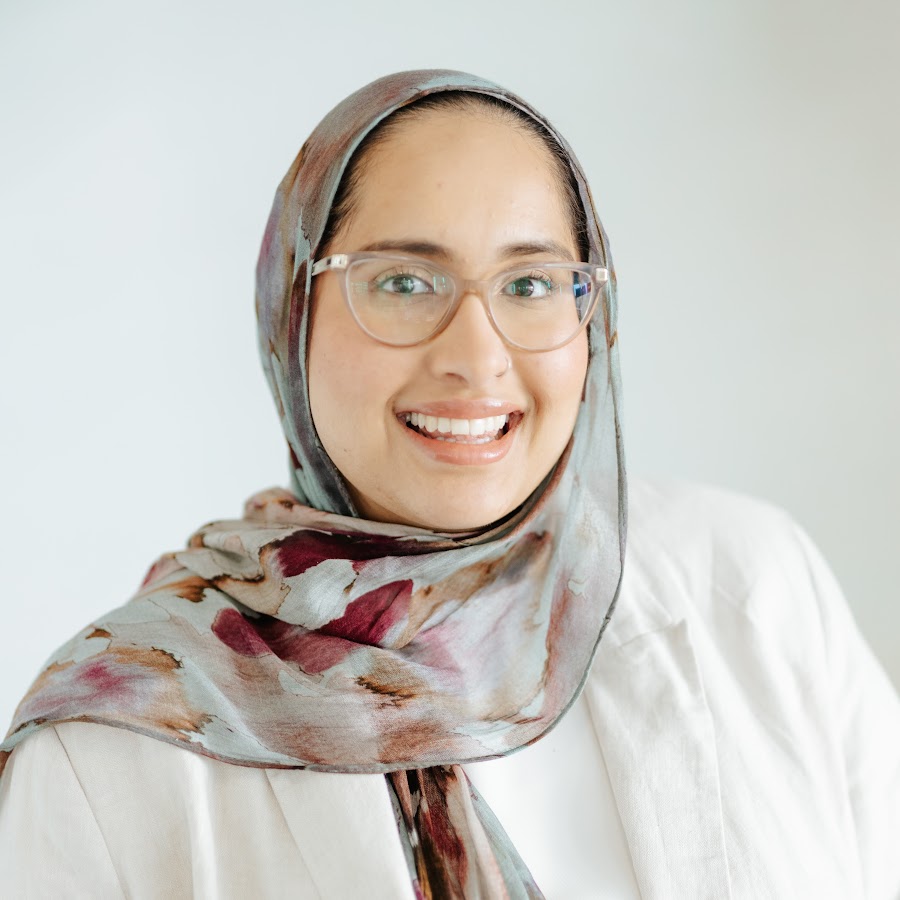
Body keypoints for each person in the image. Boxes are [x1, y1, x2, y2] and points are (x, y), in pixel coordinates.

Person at [1, 68, 898, 899]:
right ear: (291, 312)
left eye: (531, 284)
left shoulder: (753, 584)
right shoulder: (109, 751)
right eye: (403, 282)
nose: (476, 356)